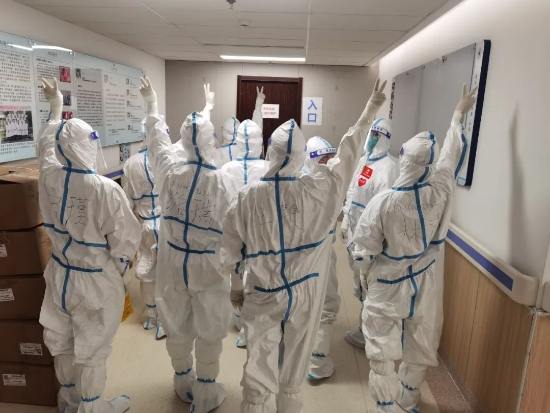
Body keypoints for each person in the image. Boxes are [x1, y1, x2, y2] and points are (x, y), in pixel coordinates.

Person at [221, 79, 388, 413]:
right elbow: (347, 155)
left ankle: (256, 404)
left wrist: (236, 283)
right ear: (301, 158)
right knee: (297, 360)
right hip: (305, 292)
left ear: (270, 152)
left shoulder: (248, 197)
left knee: (259, 359)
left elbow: (230, 246)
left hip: (263, 290)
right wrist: (369, 110)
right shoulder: (319, 190)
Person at [350, 84, 478, 413]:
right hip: (425, 281)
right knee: (420, 341)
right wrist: (457, 116)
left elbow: (363, 249)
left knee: (381, 347)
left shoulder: (385, 202)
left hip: (387, 282)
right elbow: (450, 157)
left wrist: (362, 277)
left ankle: (385, 406)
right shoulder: (440, 190)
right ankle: (408, 400)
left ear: (404, 159)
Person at [37, 78, 141, 413]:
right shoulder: (105, 189)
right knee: (93, 345)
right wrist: (120, 271)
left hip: (60, 274)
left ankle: (69, 401)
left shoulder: (49, 175)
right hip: (95, 278)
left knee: (63, 339)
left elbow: (45, 147)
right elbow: (125, 239)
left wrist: (55, 108)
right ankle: (94, 406)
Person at [139, 77, 234, 413]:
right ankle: (207, 390)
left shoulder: (169, 171)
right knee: (210, 325)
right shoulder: (222, 181)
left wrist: (152, 104)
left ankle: (183, 381)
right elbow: (235, 230)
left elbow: (158, 143)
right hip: (208, 264)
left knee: (176, 319)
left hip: (173, 261)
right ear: (212, 142)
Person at [339, 118, 397, 348]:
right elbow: (352, 191)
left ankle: (370, 335)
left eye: (376, 135)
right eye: (371, 134)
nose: (371, 139)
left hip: (371, 238)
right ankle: (363, 329)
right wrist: (345, 219)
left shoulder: (389, 168)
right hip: (356, 231)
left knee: (369, 283)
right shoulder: (365, 160)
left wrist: (374, 242)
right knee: (358, 281)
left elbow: (385, 210)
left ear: (385, 139)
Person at [221, 118, 268, 348]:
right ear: (260, 142)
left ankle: (240, 322)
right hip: (262, 233)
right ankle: (251, 326)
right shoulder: (268, 167)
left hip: (233, 231)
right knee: (258, 277)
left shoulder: (226, 169)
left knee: (236, 275)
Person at [300, 136, 341, 380]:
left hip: (309, 256)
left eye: (329, 159)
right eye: (323, 159)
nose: (327, 163)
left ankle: (311, 357)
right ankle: (316, 362)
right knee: (323, 304)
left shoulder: (324, 183)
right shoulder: (311, 186)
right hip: (314, 256)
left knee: (319, 305)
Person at [123, 126, 165, 340]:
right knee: (167, 273)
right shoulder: (169, 159)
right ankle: (165, 319)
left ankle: (152, 316)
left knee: (147, 273)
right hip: (167, 226)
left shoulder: (131, 164)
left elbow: (127, 203)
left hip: (145, 225)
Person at [218, 86, 265, 165]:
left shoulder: (217, 153)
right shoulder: (246, 150)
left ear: (224, 132)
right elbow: (255, 131)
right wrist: (258, 105)